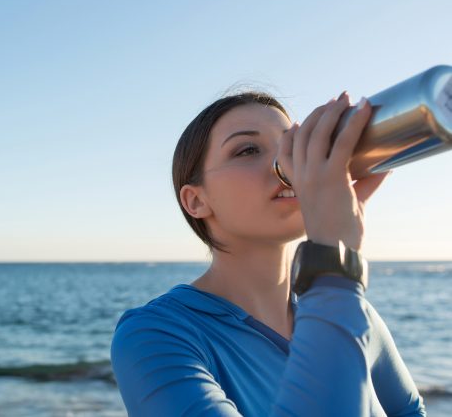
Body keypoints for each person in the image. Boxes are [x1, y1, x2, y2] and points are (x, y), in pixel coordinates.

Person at [109, 91, 426, 416]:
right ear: (196, 201)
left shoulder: (353, 312)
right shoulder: (156, 334)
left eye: (291, 147)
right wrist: (332, 262)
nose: (286, 166)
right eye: (248, 150)